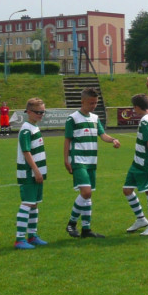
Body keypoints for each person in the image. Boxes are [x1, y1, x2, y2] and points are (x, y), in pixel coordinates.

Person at [64, 88, 121, 238]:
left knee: (88, 196)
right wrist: (66, 159)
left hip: (91, 161)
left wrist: (113, 140)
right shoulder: (73, 118)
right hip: (78, 160)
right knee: (86, 192)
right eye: (91, 103)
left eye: (96, 103)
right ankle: (71, 223)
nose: (94, 105)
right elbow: (67, 140)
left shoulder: (95, 118)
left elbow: (102, 135)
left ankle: (86, 229)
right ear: (82, 102)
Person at [122, 78, 148, 236]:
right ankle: (141, 219)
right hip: (136, 162)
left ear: (137, 107)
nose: (133, 109)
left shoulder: (145, 122)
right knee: (127, 190)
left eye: (133, 107)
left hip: (145, 162)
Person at [14, 98, 48, 249]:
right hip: (29, 173)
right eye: (38, 112)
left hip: (37, 173)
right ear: (28, 112)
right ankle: (19, 239)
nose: (41, 114)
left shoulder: (35, 127)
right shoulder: (26, 130)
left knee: (34, 204)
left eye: (43, 112)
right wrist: (36, 170)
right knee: (27, 204)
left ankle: (32, 236)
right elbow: (26, 152)